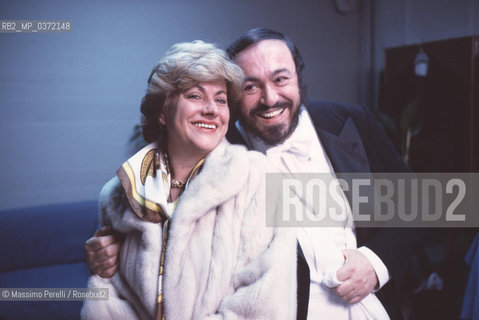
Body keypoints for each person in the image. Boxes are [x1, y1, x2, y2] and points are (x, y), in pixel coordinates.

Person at [86, 29, 420, 319]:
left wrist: (377, 263)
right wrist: (113, 248)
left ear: (298, 77)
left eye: (280, 78)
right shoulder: (215, 146)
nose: (270, 98)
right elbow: (167, 226)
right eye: (251, 87)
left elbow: (417, 202)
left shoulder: (350, 122)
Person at [81, 40, 297, 320]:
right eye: (195, 96)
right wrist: (100, 268)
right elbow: (109, 297)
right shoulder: (118, 193)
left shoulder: (260, 179)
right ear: (162, 111)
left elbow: (264, 306)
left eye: (220, 99)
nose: (211, 109)